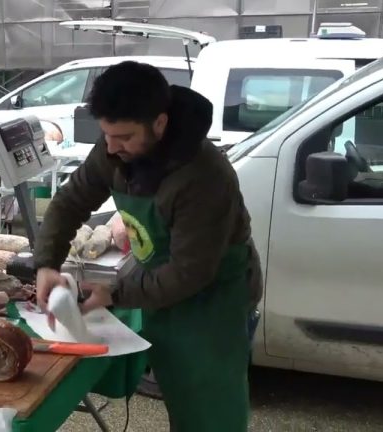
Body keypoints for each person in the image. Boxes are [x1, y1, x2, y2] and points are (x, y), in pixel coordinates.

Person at [33, 61, 263, 431]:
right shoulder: (113, 150)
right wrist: (46, 263)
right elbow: (70, 201)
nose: (111, 147)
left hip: (214, 301)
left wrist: (115, 292)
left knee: (211, 407)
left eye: (123, 137)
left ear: (159, 123)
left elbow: (190, 272)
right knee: (179, 391)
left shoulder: (204, 177)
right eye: (106, 134)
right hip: (163, 288)